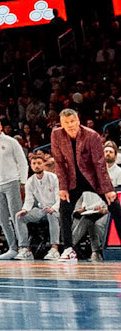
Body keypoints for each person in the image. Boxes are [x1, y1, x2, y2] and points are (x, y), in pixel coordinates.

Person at [49, 107, 115, 258]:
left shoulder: (91, 135)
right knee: (64, 210)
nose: (70, 125)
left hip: (93, 178)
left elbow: (99, 164)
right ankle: (68, 249)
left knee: (115, 206)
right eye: (66, 122)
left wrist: (107, 189)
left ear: (78, 121)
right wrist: (63, 187)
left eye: (72, 121)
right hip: (73, 179)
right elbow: (59, 162)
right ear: (61, 124)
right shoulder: (56, 134)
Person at [0, 116, 29, 259]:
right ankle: (12, 248)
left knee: (17, 215)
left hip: (12, 182)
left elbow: (22, 162)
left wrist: (23, 182)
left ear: (1, 126)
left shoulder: (11, 141)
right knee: (2, 218)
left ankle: (24, 247)